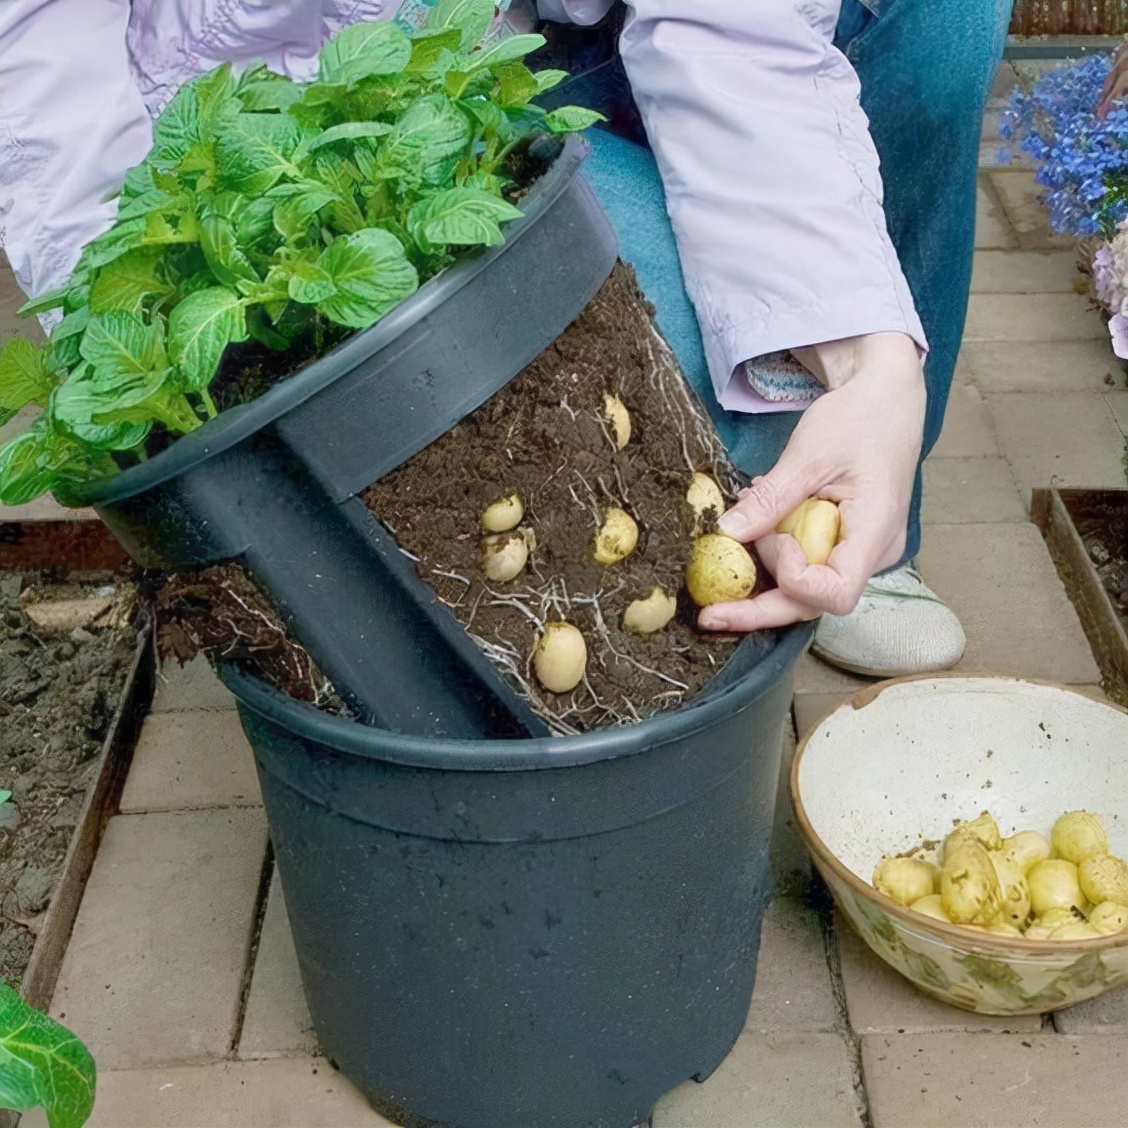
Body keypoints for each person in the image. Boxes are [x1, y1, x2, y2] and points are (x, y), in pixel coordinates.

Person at [0, 0, 1012, 676]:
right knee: (668, 413)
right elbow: (37, 56)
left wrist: (865, 355)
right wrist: (149, 338)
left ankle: (861, 515)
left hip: (499, 57)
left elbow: (729, 24)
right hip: (267, 119)